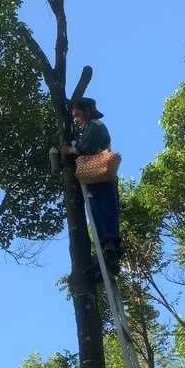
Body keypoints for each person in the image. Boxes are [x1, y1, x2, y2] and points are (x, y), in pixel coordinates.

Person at [60, 96, 123, 275]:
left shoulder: (95, 125)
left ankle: (110, 252)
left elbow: (87, 146)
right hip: (96, 179)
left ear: (87, 112)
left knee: (105, 210)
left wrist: (71, 150)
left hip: (101, 176)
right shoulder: (89, 127)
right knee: (97, 212)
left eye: (78, 115)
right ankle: (108, 257)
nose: (76, 120)